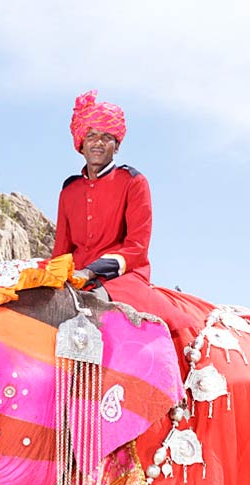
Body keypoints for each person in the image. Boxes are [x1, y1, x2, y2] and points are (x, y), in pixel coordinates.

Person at [52, 90, 190, 332]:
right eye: (91, 135)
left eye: (106, 137)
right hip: (75, 279)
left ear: (116, 146)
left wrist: (90, 271)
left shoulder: (133, 181)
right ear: (81, 143)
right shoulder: (69, 191)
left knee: (92, 314)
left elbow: (137, 247)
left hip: (122, 280)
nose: (98, 142)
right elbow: (61, 251)